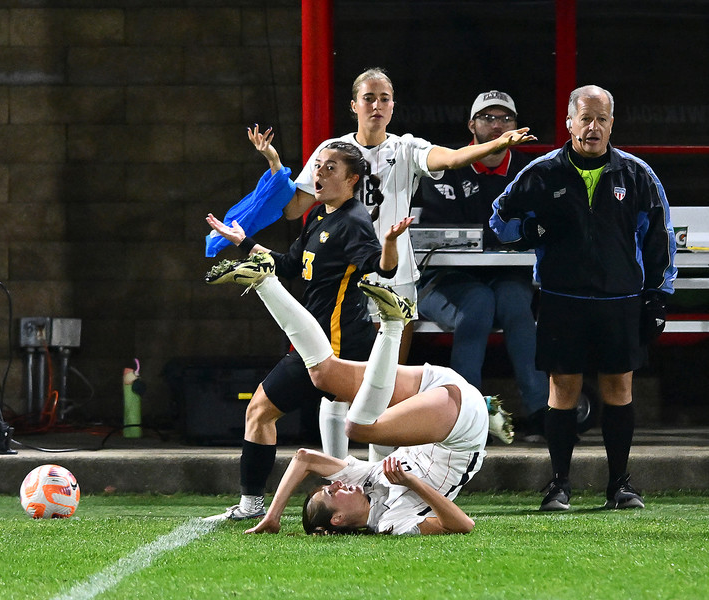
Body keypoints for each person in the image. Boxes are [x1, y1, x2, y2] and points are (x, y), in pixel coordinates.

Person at [283, 68, 535, 461]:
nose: (377, 105)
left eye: (385, 98)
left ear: (393, 105)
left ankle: (378, 477)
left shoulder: (405, 148)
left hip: (393, 279)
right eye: (369, 97)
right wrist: (271, 176)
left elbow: (450, 158)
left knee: (383, 386)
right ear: (354, 105)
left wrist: (495, 144)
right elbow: (293, 207)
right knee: (337, 382)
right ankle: (337, 471)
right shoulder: (331, 150)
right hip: (344, 281)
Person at [204, 129, 414, 520]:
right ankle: (382, 500)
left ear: (352, 179)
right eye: (317, 165)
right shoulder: (319, 213)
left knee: (264, 411)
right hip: (316, 340)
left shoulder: (353, 221)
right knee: (368, 425)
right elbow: (290, 266)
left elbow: (381, 268)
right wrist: (243, 240)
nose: (318, 173)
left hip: (330, 347)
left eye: (329, 167)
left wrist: (389, 245)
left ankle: (256, 506)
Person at [204, 257, 494, 535]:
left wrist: (273, 516)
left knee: (324, 374)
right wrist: (411, 482)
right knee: (357, 428)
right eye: (333, 492)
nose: (338, 484)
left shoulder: (363, 482)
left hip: (437, 386)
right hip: (462, 430)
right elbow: (463, 525)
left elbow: (304, 458)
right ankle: (392, 325)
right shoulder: (389, 522)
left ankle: (264, 281)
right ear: (339, 518)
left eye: (332, 486)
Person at [490, 85, 677, 511]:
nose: (593, 128)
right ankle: (559, 485)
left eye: (602, 119)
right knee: (563, 389)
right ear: (569, 122)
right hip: (562, 297)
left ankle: (620, 485)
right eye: (586, 119)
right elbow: (500, 220)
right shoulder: (541, 172)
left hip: (621, 299)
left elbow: (660, 238)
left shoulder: (637, 174)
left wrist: (657, 298)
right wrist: (529, 233)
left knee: (619, 387)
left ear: (612, 123)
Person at [414, 90, 549, 442]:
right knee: (478, 305)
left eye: (505, 119)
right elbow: (447, 236)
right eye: (488, 118)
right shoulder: (447, 166)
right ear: (471, 125)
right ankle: (466, 421)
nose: (497, 126)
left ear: (517, 127)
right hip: (445, 279)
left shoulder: (530, 171)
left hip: (503, 276)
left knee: (518, 306)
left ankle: (542, 414)